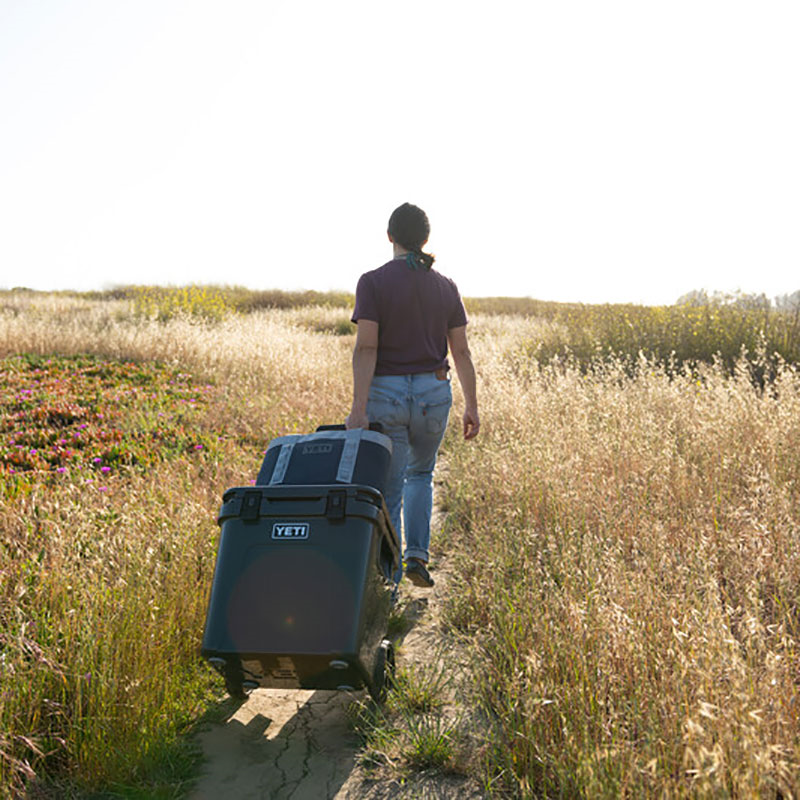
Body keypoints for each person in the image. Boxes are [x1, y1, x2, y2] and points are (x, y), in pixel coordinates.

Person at [345, 203, 480, 588]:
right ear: (425, 239)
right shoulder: (447, 286)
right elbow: (462, 352)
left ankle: (388, 581)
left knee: (390, 486)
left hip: (386, 395)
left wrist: (358, 409)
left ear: (390, 236)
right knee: (422, 473)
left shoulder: (372, 282)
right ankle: (417, 556)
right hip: (434, 393)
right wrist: (471, 405)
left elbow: (366, 349)